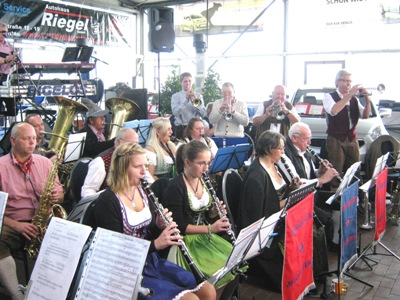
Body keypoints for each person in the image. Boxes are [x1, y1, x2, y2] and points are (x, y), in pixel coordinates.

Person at [85, 142, 216, 300]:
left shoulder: (142, 191)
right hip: (128, 272)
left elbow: (150, 232)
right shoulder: (108, 200)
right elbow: (117, 251)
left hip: (150, 261)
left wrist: (159, 226)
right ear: (122, 168)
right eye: (137, 166)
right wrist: (156, 244)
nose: (143, 172)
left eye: (145, 166)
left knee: (208, 291)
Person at [164, 140, 240, 298]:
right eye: (201, 163)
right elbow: (179, 226)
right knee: (219, 270)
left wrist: (213, 212)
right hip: (185, 242)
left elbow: (205, 216)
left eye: (208, 163)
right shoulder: (176, 186)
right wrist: (211, 229)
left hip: (205, 238)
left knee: (236, 264)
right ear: (187, 162)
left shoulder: (203, 181)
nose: (207, 168)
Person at [0, 122, 64, 300]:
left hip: (44, 219)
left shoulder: (44, 162)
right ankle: (15, 293)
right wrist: (17, 226)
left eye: (34, 139)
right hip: (14, 222)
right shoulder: (0, 167)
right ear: (13, 140)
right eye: (27, 139)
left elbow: (61, 195)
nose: (32, 143)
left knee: (72, 239)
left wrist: (56, 196)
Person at [237, 130, 297, 292]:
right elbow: (262, 211)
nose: (283, 152)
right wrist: (292, 199)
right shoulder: (256, 175)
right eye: (280, 148)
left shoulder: (273, 165)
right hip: (263, 229)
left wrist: (291, 190)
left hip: (277, 216)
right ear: (269, 149)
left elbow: (274, 196)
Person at [323, 69, 371, 189]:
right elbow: (334, 111)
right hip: (336, 139)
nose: (348, 84)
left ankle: (354, 196)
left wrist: (367, 99)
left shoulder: (354, 99)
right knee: (336, 171)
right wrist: (349, 95)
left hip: (351, 138)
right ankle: (334, 197)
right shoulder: (329, 96)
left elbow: (365, 115)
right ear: (337, 82)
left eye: (349, 81)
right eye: (345, 81)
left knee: (355, 170)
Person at [81, 128, 154, 198]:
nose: (135, 148)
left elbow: (150, 182)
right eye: (131, 144)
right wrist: (109, 197)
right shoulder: (100, 162)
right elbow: (87, 192)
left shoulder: (138, 161)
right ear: (118, 142)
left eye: (137, 144)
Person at [277, 122, 339, 188]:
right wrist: (322, 180)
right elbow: (297, 184)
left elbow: (308, 175)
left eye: (310, 138)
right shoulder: (284, 155)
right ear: (294, 138)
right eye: (306, 139)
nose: (309, 142)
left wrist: (320, 172)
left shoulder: (305, 151)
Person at [171, 72, 207, 139]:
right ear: (181, 83)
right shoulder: (175, 96)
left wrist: (195, 101)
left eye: (189, 81)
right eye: (185, 81)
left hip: (196, 128)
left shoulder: (198, 96)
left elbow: (204, 113)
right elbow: (175, 112)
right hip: (182, 127)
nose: (188, 83)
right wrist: (186, 99)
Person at [0, 22, 18, 120]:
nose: (4, 34)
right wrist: (6, 60)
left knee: (12, 108)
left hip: (6, 77)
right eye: (1, 32)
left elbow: (14, 59)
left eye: (5, 32)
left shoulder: (10, 46)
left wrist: (14, 60)